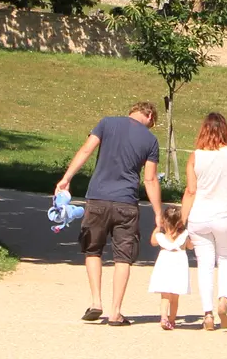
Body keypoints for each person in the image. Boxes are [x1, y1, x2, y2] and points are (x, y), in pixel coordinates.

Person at [56, 100, 163, 327]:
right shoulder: (151, 140)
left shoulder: (107, 123)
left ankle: (96, 302)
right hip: (126, 203)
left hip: (97, 199)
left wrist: (66, 178)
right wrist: (157, 212)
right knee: (123, 257)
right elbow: (150, 179)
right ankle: (115, 312)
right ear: (150, 117)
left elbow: (86, 150)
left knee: (93, 249)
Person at [182, 111, 227, 331]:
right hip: (225, 214)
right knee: (226, 259)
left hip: (200, 216)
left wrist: (181, 222)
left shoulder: (195, 156)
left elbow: (191, 190)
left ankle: (207, 314)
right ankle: (223, 300)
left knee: (204, 265)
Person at [148, 204, 192, 330]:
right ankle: (172, 320)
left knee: (165, 295)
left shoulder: (161, 237)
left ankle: (163, 318)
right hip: (179, 265)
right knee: (175, 296)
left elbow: (153, 241)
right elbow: (190, 246)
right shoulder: (184, 235)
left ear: (164, 221)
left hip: (164, 264)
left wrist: (158, 227)